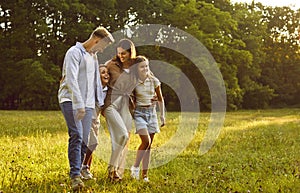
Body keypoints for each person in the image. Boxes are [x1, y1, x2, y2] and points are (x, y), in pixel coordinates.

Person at [58, 26, 114, 190]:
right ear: (97, 40)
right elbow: (70, 80)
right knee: (76, 135)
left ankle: (80, 170)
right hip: (70, 100)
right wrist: (79, 103)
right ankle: (75, 176)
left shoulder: (93, 57)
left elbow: (95, 82)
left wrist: (98, 102)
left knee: (86, 140)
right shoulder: (74, 53)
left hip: (89, 104)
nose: (103, 49)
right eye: (103, 45)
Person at [101, 38, 138, 182]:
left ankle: (116, 172)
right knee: (121, 136)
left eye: (124, 54)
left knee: (124, 139)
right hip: (111, 104)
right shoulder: (112, 65)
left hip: (126, 105)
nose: (121, 56)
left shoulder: (136, 66)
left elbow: (146, 76)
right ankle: (112, 169)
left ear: (131, 53)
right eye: (119, 54)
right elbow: (103, 75)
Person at [130, 55, 165, 182]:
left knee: (149, 146)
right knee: (146, 141)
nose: (145, 68)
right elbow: (129, 98)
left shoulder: (154, 81)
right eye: (142, 67)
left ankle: (145, 175)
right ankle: (135, 168)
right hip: (139, 113)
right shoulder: (133, 82)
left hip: (152, 113)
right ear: (136, 69)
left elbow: (160, 98)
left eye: (146, 66)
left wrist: (162, 116)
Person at [81, 65, 110, 180]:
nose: (106, 74)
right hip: (86, 118)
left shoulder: (107, 90)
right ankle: (82, 167)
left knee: (90, 146)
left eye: (107, 72)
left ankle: (86, 169)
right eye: (103, 72)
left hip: (96, 120)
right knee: (93, 143)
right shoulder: (91, 88)